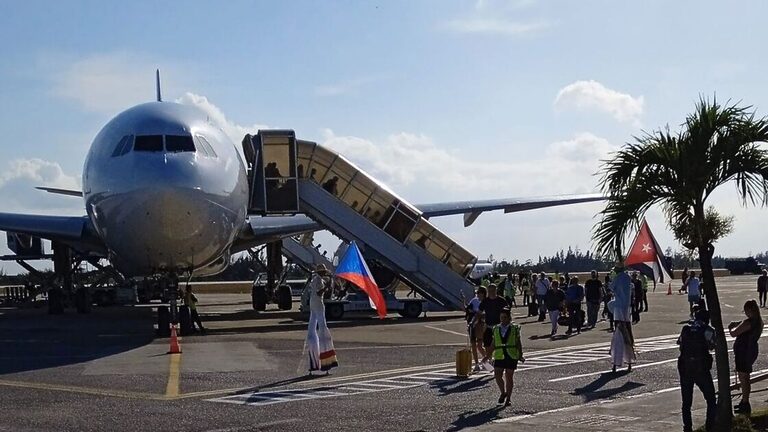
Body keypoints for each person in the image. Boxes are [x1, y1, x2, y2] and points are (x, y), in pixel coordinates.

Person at [677, 309, 716, 432]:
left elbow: (680, 344)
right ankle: (710, 426)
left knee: (686, 402)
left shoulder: (686, 329)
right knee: (710, 399)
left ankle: (687, 427)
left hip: (685, 368)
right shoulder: (708, 330)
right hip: (701, 368)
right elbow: (712, 345)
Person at [482, 308, 524, 406]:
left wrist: (520, 355)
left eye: (505, 317)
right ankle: (503, 392)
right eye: (501, 317)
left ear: (509, 317)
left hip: (511, 354)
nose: (503, 319)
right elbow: (493, 344)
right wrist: (487, 356)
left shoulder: (515, 328)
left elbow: (518, 343)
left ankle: (508, 398)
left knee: (509, 376)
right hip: (500, 354)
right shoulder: (496, 328)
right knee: (497, 374)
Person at [729, 299, 764, 415]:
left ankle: (745, 402)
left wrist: (731, 327)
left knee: (743, 377)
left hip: (743, 351)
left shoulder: (748, 322)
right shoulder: (758, 322)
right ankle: (745, 401)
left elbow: (734, 333)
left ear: (749, 310)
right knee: (745, 377)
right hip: (751, 350)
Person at [306, 264, 338, 374]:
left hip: (312, 305)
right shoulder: (319, 280)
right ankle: (326, 361)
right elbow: (319, 293)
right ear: (321, 272)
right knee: (323, 328)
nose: (325, 273)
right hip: (319, 305)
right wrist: (327, 287)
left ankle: (314, 361)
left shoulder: (314, 279)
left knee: (312, 328)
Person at [609, 264, 635, 372]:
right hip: (626, 309)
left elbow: (611, 287)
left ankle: (616, 362)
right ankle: (629, 361)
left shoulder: (618, 278)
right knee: (627, 335)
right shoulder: (627, 278)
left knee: (618, 336)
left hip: (619, 308)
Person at [464, 287, 487, 371]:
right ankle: (477, 364)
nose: (477, 295)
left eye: (479, 293)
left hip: (481, 325)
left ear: (483, 293)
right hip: (473, 324)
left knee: (480, 345)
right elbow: (468, 309)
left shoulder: (486, 302)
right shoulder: (474, 300)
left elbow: (484, 313)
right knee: (474, 344)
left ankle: (487, 361)